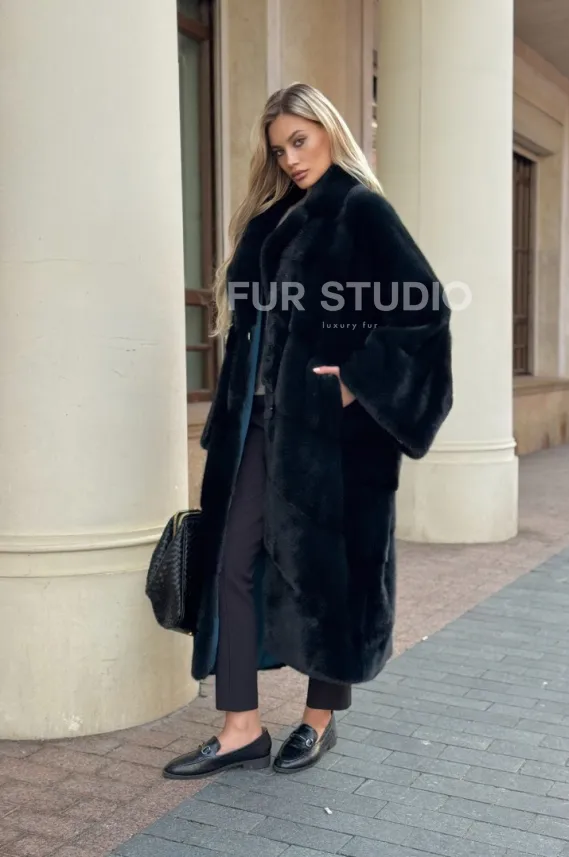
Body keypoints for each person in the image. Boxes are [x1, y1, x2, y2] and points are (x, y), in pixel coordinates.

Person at [163, 82, 452, 780]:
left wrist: (353, 384)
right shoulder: (270, 220)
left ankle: (318, 720)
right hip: (259, 423)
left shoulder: (361, 209)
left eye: (300, 140)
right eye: (279, 149)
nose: (291, 158)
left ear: (328, 131)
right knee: (232, 561)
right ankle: (240, 727)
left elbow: (426, 311)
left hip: (333, 430)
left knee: (333, 571)